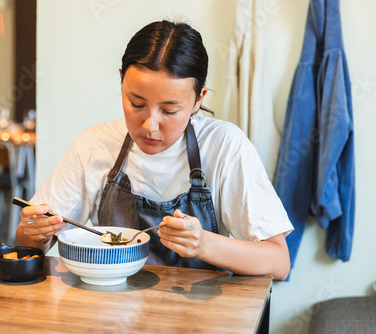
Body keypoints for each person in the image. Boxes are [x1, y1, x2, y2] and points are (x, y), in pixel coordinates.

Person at [16, 20, 293, 281]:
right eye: (137, 104)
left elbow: (279, 262)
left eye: (169, 110)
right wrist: (37, 234)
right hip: (112, 313)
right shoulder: (94, 144)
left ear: (199, 99)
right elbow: (27, 245)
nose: (150, 126)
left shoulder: (225, 146)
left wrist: (204, 243)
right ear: (122, 80)